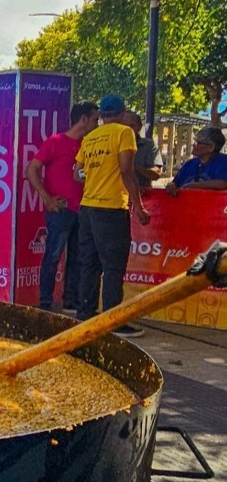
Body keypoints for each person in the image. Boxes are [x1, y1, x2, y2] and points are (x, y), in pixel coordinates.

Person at [74, 94, 151, 338]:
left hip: (87, 206)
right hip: (111, 207)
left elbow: (77, 174)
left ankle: (85, 313)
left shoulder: (90, 138)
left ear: (102, 115)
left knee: (89, 262)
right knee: (114, 266)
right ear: (122, 112)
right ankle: (113, 321)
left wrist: (96, 177)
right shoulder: (124, 133)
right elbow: (126, 169)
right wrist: (138, 206)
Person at [26, 100, 100, 312]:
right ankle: (45, 302)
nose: (98, 124)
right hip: (61, 208)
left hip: (84, 209)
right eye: (95, 119)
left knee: (78, 257)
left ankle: (71, 301)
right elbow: (32, 170)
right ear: (83, 119)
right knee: (53, 255)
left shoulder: (90, 144)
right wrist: (46, 198)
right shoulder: (56, 142)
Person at [165, 127, 227, 195]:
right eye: (194, 141)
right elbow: (175, 183)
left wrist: (192, 186)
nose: (193, 144)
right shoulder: (189, 164)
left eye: (198, 142)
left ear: (211, 147)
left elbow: (223, 184)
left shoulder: (223, 162)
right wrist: (171, 186)